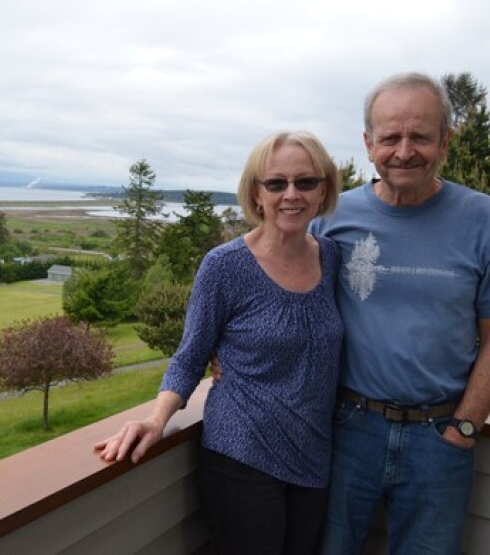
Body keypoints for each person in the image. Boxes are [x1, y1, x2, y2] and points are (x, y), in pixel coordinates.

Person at [310, 72, 490, 555]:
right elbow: (276, 291)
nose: (404, 150)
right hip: (347, 428)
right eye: (390, 137)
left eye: (420, 136)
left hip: (441, 435)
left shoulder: (484, 218)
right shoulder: (332, 217)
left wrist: (466, 427)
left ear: (446, 141)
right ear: (369, 144)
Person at [96, 131, 344, 554]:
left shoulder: (332, 257)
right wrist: (156, 420)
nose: (291, 194)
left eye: (306, 182)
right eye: (276, 183)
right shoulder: (225, 266)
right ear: (256, 193)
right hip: (241, 453)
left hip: (314, 454)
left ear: (323, 191)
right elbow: (191, 355)